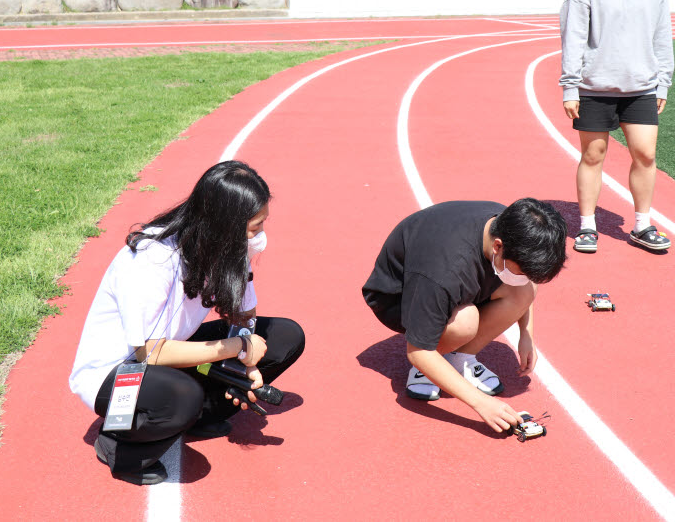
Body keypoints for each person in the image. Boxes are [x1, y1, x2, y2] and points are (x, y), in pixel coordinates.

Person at [69, 161, 305, 485]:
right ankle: (120, 446)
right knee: (183, 396)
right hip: (118, 371)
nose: (260, 237)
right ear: (224, 224)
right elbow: (147, 354)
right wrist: (236, 347)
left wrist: (243, 364)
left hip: (171, 354)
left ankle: (198, 417)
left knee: (284, 336)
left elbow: (244, 316)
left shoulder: (226, 248)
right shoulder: (152, 257)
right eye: (255, 228)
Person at [362, 198, 567, 433]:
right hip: (399, 298)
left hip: (452, 282)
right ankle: (430, 367)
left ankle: (458, 359)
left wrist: (526, 334)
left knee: (525, 289)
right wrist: (481, 404)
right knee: (465, 322)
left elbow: (525, 280)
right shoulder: (442, 272)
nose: (523, 277)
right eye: (521, 271)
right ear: (498, 247)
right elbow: (417, 351)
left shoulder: (511, 224)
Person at [559, 0, 675, 254]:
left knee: (646, 154)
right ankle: (588, 226)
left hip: (641, 87)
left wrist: (663, 81)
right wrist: (570, 86)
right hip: (594, 88)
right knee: (593, 156)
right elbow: (574, 37)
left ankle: (642, 224)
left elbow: (662, 35)